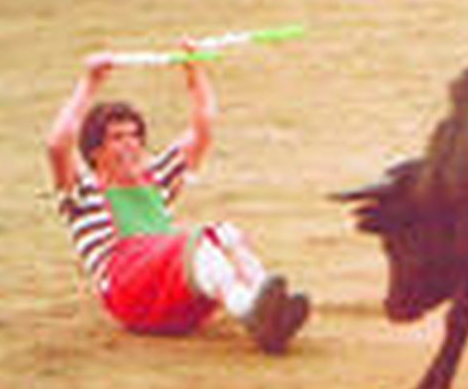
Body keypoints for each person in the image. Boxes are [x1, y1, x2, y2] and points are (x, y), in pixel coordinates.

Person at [46, 40, 310, 352]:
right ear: (95, 150)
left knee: (225, 233)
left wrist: (194, 72)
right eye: (117, 138)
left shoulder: (155, 179)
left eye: (134, 136)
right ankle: (249, 311)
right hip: (129, 291)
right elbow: (57, 144)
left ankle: (267, 305)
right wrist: (90, 83)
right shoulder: (83, 193)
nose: (130, 145)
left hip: (170, 293)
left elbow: (203, 128)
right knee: (197, 241)